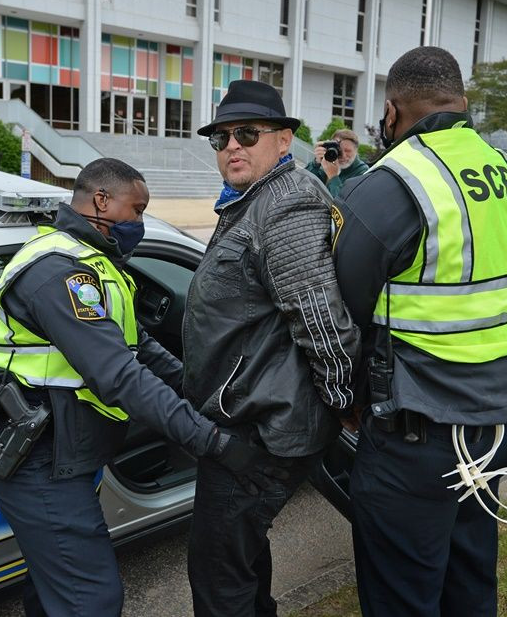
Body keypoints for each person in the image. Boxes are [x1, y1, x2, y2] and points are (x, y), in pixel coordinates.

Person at [0, 158, 272, 617]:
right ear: (101, 199)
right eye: (136, 209)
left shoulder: (91, 263)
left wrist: (196, 391)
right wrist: (212, 442)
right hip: (39, 458)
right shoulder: (60, 273)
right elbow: (118, 374)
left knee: (55, 587)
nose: (139, 222)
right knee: (91, 601)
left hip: (64, 449)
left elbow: (137, 345)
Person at [332, 47, 507, 616]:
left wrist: (348, 402)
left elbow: (343, 312)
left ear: (393, 111)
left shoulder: (393, 182)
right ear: (462, 102)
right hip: (499, 425)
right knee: (470, 578)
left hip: (417, 434)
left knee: (403, 591)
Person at [183, 79, 361, 617]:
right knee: (238, 556)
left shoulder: (284, 203)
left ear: (284, 140)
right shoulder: (254, 199)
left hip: (263, 428)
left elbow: (321, 322)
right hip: (249, 415)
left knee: (218, 570)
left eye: (247, 133)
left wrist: (343, 402)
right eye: (221, 138)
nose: (231, 145)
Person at [304, 128, 370, 197]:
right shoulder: (327, 161)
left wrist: (333, 177)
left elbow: (344, 203)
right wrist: (316, 163)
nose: (343, 155)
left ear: (356, 151)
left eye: (348, 151)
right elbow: (303, 184)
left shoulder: (363, 172)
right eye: (339, 150)